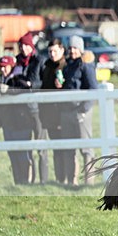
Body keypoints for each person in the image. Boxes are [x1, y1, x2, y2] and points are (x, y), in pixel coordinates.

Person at [59, 35, 98, 185]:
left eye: (75, 48)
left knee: (86, 148)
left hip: (81, 112)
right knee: (69, 148)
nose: (72, 51)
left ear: (80, 49)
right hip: (67, 111)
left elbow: (93, 89)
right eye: (70, 48)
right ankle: (71, 181)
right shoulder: (67, 65)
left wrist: (84, 110)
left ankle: (89, 182)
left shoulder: (86, 65)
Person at [13, 31, 48, 183]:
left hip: (38, 110)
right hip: (22, 110)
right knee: (26, 148)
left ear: (31, 46)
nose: (23, 49)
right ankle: (29, 180)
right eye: (21, 46)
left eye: (26, 45)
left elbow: (44, 82)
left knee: (41, 148)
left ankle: (44, 180)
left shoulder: (40, 60)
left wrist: (30, 85)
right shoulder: (17, 62)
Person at [0, 55, 34, 184]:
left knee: (23, 155)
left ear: (12, 66)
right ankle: (18, 182)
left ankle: (26, 182)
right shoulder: (0, 80)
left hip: (21, 122)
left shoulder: (20, 77)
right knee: (12, 154)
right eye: (1, 67)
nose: (3, 70)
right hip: (8, 123)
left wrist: (9, 90)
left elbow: (24, 89)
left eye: (5, 67)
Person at [39, 39, 68, 183]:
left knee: (65, 148)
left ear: (62, 50)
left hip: (62, 113)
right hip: (49, 113)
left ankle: (67, 177)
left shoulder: (65, 65)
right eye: (50, 51)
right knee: (56, 148)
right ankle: (59, 178)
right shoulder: (47, 66)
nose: (52, 54)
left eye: (55, 51)